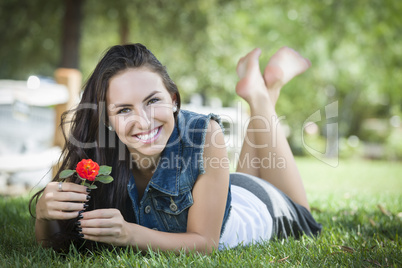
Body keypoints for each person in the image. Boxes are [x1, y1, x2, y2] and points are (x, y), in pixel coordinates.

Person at [30, 43, 321, 254]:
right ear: (107, 118)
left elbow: (205, 244)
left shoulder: (203, 133)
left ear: (172, 98)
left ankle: (261, 94)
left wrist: (130, 234)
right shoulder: (95, 157)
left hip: (260, 207)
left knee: (306, 218)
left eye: (153, 101)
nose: (143, 121)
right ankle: (266, 88)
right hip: (226, 191)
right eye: (123, 110)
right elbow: (53, 243)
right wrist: (44, 215)